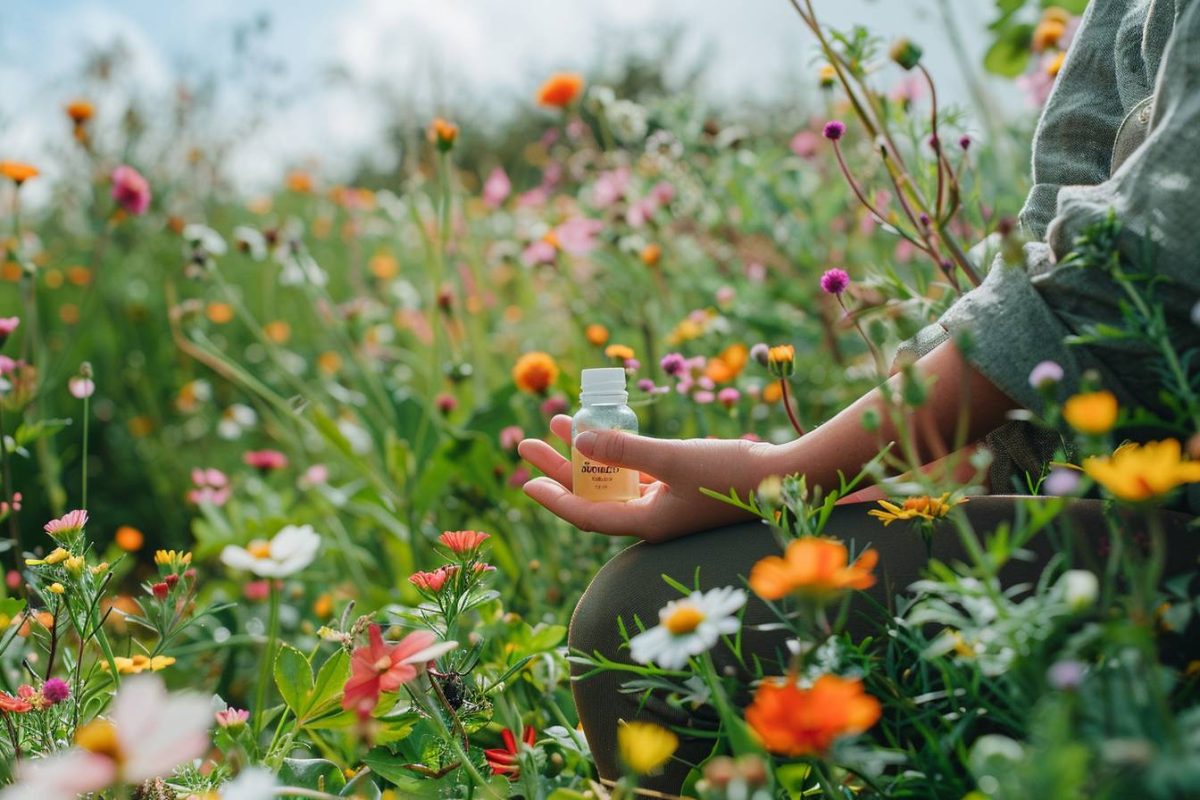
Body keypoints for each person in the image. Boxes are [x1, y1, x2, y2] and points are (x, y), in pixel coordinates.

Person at [518, 0, 1200, 792]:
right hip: (1143, 492)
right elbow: (1048, 248)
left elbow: (1138, 260)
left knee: (637, 623)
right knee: (649, 605)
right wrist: (884, 479)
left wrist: (793, 472)